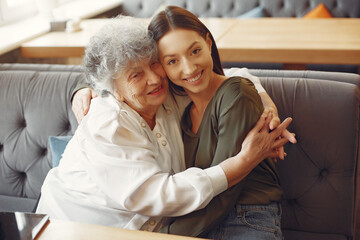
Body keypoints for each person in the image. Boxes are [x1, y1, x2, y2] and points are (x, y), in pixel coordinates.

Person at [36, 16, 293, 233]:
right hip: (73, 228)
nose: (154, 79)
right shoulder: (107, 123)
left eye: (154, 63)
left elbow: (230, 78)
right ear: (114, 91)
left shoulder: (165, 96)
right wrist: (243, 162)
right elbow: (157, 194)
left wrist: (265, 103)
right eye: (136, 75)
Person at [147, 6, 296, 240]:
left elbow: (224, 193)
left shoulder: (235, 94)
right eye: (173, 61)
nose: (189, 68)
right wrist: (83, 88)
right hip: (201, 220)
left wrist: (162, 235)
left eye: (195, 51)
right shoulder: (180, 112)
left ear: (208, 43)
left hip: (247, 219)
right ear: (161, 67)